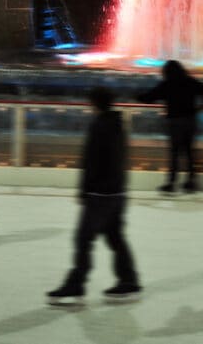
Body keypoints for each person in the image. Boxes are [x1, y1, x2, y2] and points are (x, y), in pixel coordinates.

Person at [47, 87, 141, 306]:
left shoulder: (99, 126)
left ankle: (76, 284)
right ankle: (129, 280)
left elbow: (90, 162)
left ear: (93, 103)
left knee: (83, 239)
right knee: (115, 238)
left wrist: (84, 190)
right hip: (117, 192)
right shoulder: (119, 125)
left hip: (100, 194)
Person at [137, 60, 203, 194]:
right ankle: (191, 182)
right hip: (190, 121)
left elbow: (150, 97)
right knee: (189, 152)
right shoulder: (190, 82)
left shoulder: (167, 84)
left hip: (175, 122)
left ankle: (171, 183)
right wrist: (202, 106)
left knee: (174, 153)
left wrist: (137, 96)